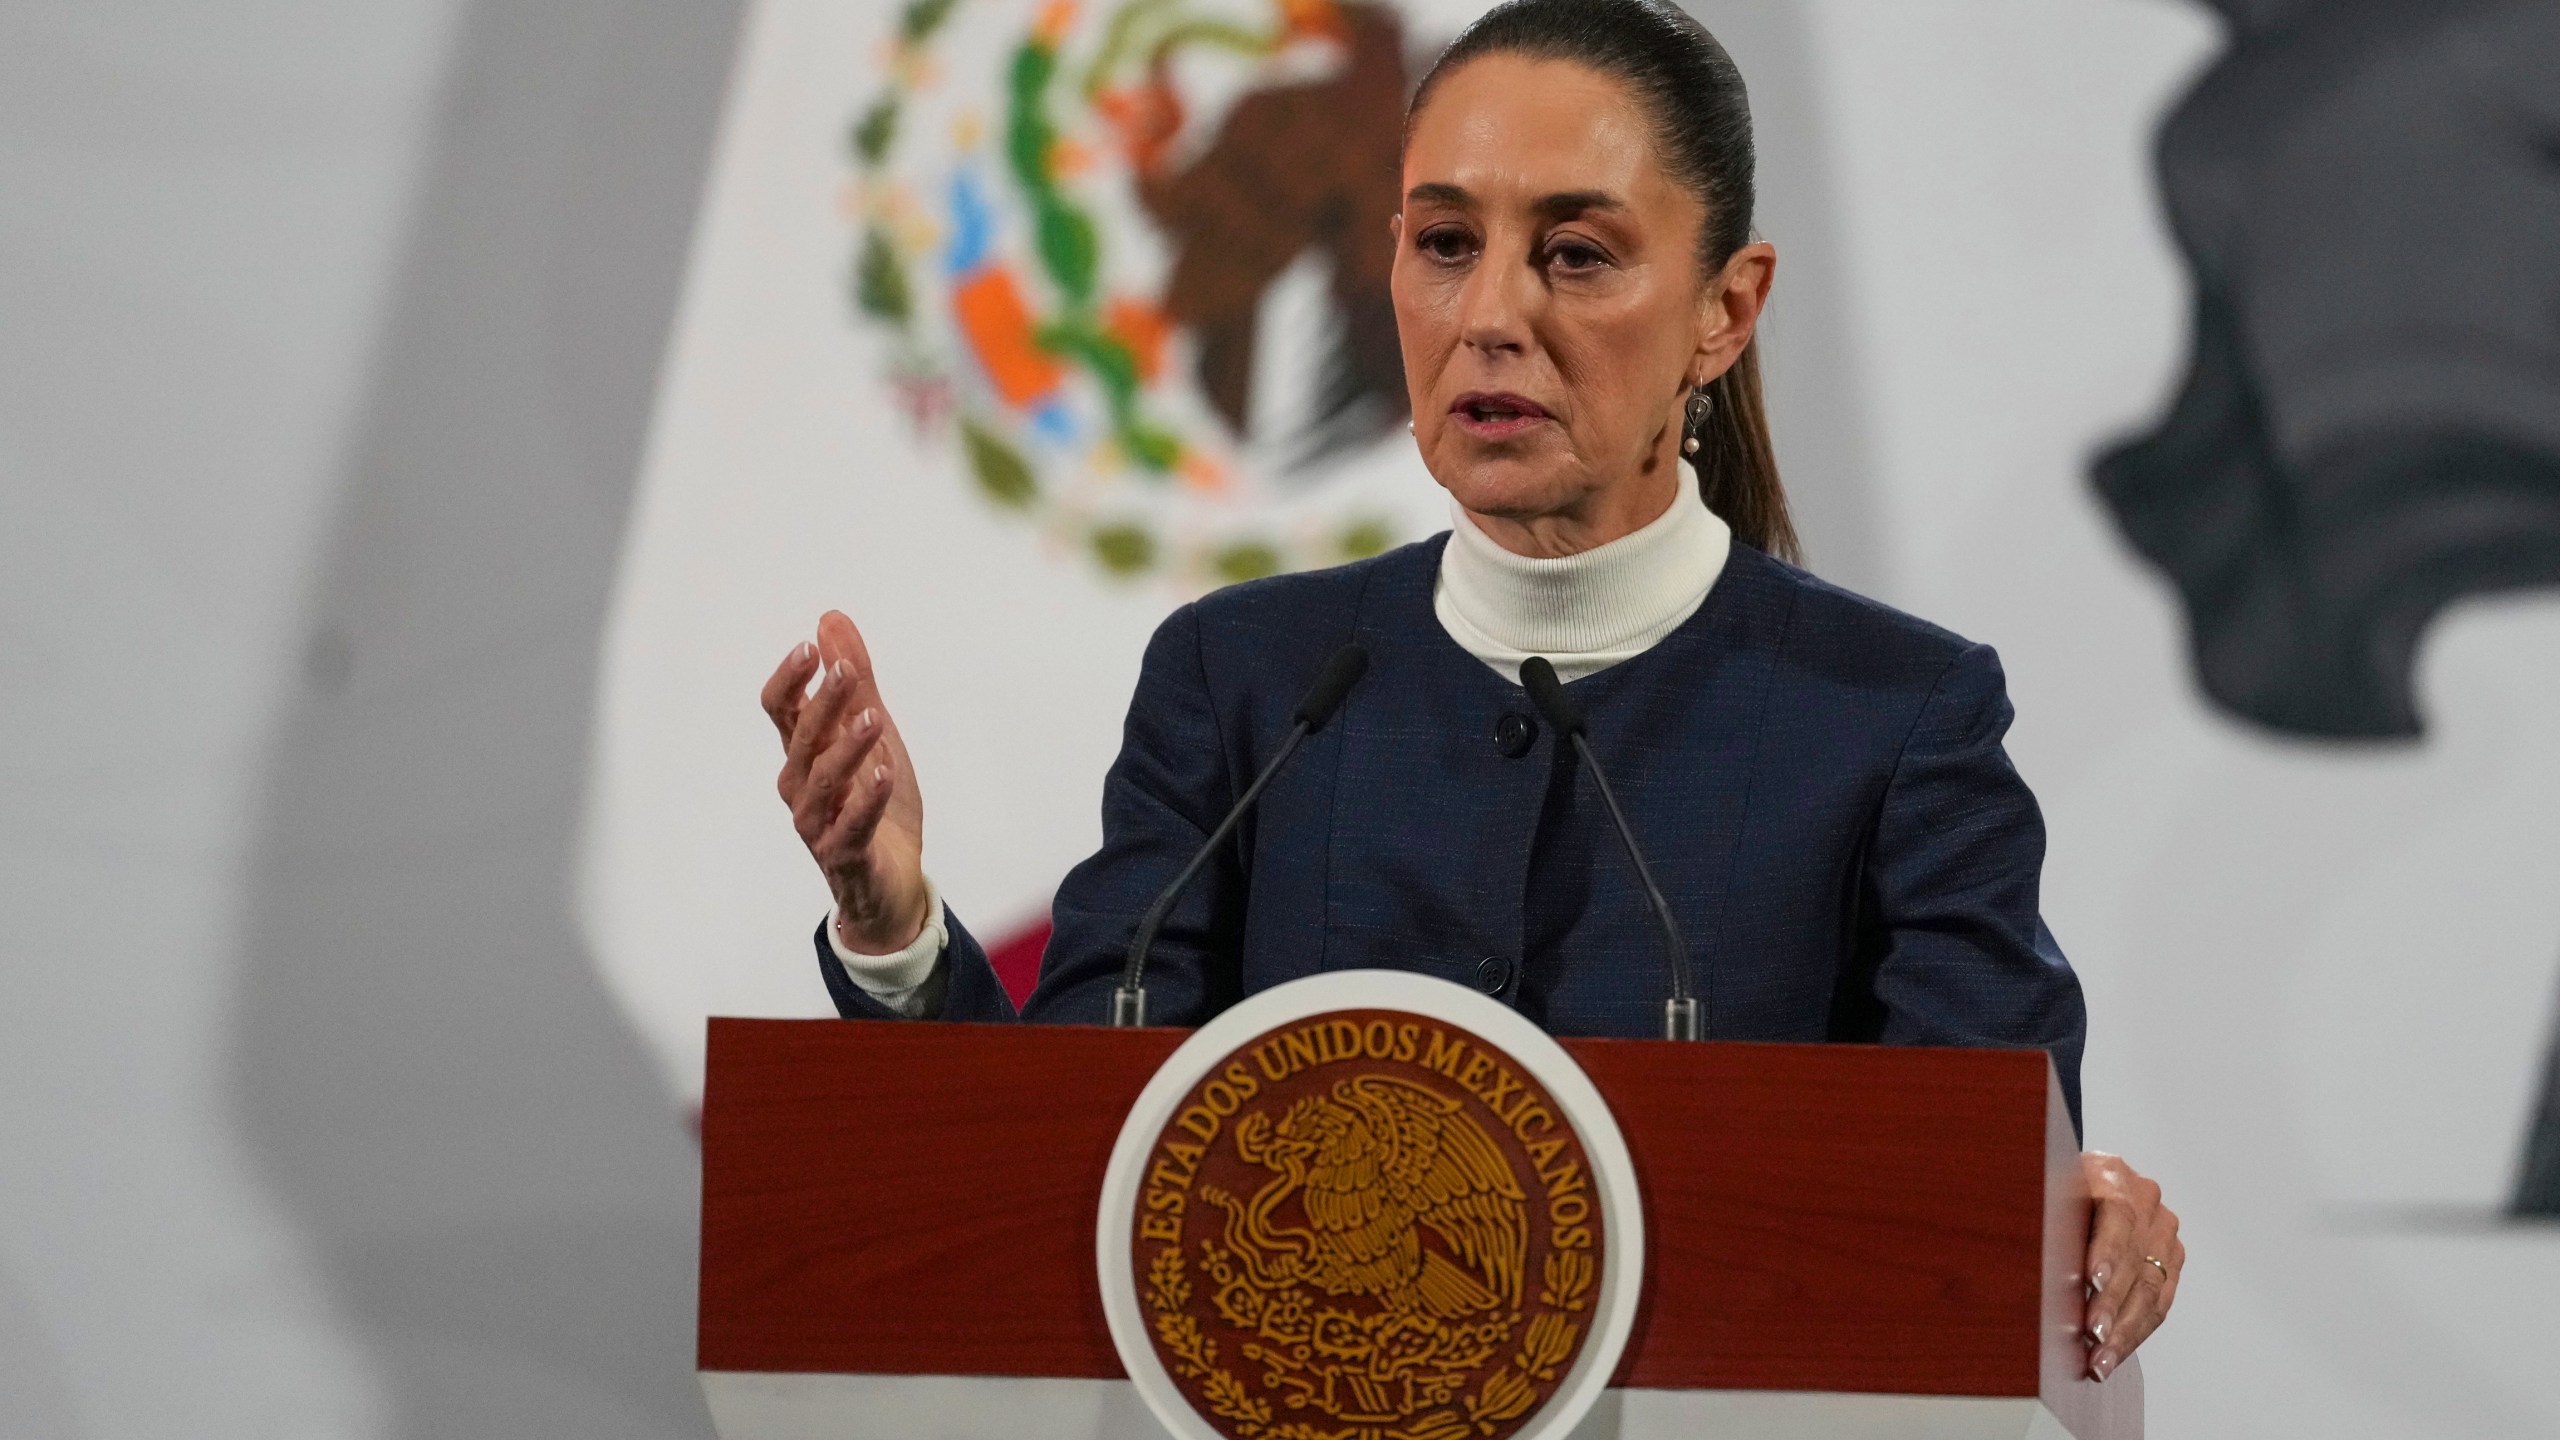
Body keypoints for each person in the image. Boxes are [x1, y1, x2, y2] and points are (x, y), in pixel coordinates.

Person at [759, 0, 2180, 1379]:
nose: (1490, 314)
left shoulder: (1895, 718)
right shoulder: (1245, 682)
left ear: (1725, 311)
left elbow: (1968, 1205)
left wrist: (2059, 1210)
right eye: (1446, 243)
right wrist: (895, 934)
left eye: (1574, 254)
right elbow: (1071, 1173)